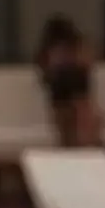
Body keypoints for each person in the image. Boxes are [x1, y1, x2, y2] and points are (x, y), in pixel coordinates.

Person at [35, 16, 97, 148]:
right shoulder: (70, 62)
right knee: (71, 128)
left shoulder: (70, 61)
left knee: (72, 129)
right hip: (65, 91)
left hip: (68, 91)